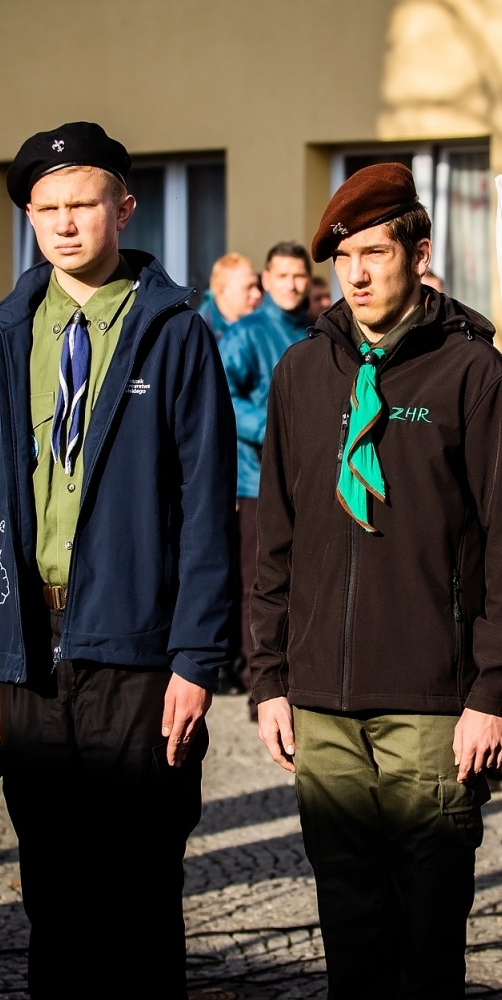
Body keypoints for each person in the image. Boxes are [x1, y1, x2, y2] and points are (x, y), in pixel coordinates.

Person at [0, 122, 234, 998]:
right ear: (29, 219)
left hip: (137, 657)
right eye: (48, 210)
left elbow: (207, 510)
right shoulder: (2, 339)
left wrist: (196, 659)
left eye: (83, 204)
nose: (66, 224)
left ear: (124, 207)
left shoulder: (175, 334)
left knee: (139, 895)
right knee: (55, 896)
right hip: (29, 656)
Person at [249, 163, 502, 998]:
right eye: (344, 258)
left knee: (427, 929)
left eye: (375, 253)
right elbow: (274, 539)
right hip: (321, 705)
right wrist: (269, 679)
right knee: (350, 925)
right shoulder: (300, 373)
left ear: (419, 254)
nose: (358, 274)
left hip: (433, 707)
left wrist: (490, 692)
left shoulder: (475, 375)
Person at [219, 242, 316, 697]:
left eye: (299, 276)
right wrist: (271, 428)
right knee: (261, 584)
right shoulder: (246, 333)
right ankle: (259, 682)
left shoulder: (318, 330)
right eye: (283, 276)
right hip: (255, 480)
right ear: (266, 279)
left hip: (308, 481)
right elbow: (220, 394)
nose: (292, 285)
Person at [196, 252, 261, 340]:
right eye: (248, 287)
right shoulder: (199, 334)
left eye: (256, 285)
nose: (257, 294)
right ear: (222, 291)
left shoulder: (260, 323)